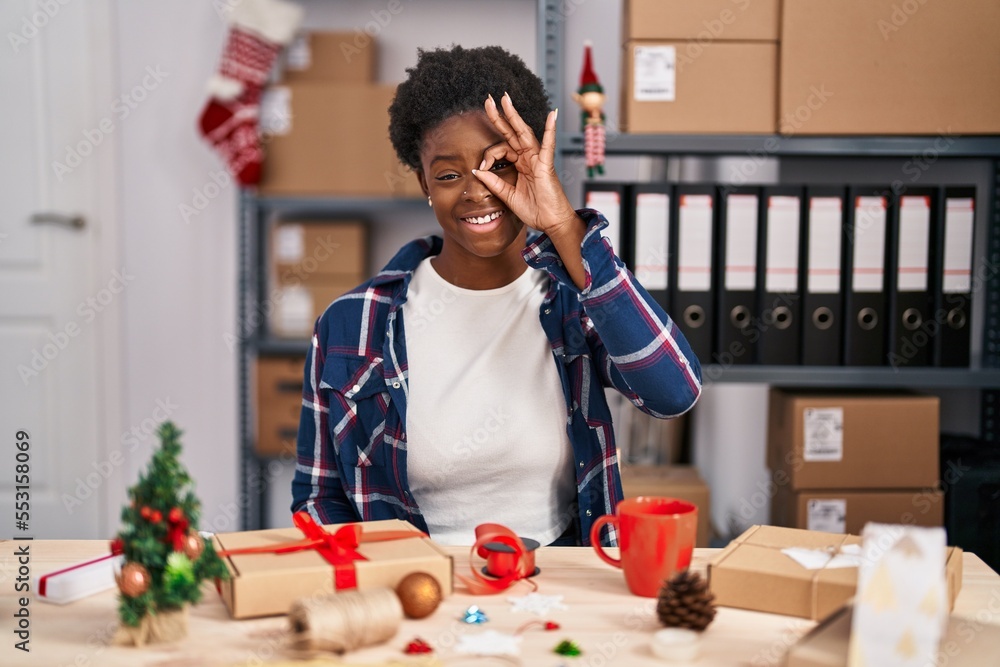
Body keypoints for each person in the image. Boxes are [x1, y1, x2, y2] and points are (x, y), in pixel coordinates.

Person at [291, 45, 701, 547]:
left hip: (558, 585)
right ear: (423, 182)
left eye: (499, 165)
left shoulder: (574, 301)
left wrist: (560, 223)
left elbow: (673, 392)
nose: (476, 190)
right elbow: (318, 497)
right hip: (415, 588)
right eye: (447, 175)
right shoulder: (351, 325)